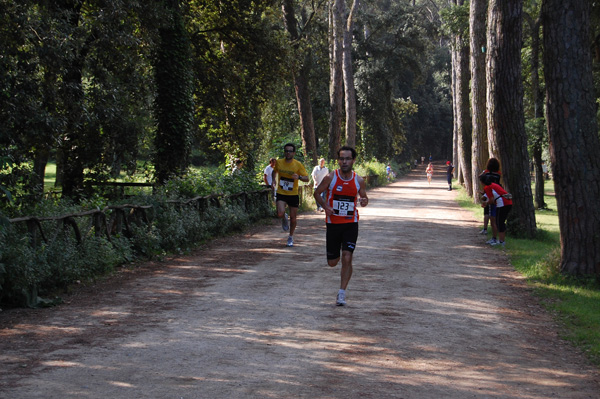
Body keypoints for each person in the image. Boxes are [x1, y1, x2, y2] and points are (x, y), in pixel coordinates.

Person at [314, 146, 369, 306]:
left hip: (350, 223)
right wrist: (326, 207)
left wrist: (364, 201)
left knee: (347, 256)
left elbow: (364, 198)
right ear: (338, 160)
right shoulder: (331, 178)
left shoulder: (358, 181)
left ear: (353, 160)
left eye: (347, 158)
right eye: (341, 158)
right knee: (333, 262)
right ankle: (341, 259)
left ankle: (341, 293)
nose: (344, 162)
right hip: (333, 224)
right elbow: (317, 193)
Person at [272, 143, 309, 247]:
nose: (288, 153)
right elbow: (274, 172)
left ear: (294, 153)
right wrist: (273, 181)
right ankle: (284, 217)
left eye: (290, 151)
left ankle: (290, 237)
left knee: (293, 218)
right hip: (281, 192)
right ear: (284, 152)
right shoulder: (279, 162)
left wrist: (299, 177)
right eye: (286, 151)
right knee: (279, 213)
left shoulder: (298, 164)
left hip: (293, 193)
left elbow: (307, 178)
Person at [480, 173, 512, 246]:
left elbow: (491, 200)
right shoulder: (494, 185)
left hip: (503, 203)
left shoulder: (487, 187)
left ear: (482, 182)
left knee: (500, 222)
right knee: (499, 221)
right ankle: (500, 240)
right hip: (506, 203)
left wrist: (485, 203)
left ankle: (501, 241)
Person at [478, 158, 501, 242]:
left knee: (487, 212)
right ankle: (494, 233)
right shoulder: (498, 174)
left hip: (488, 193)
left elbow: (480, 177)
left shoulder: (486, 173)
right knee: (494, 214)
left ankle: (485, 228)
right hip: (496, 193)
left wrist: (484, 171)